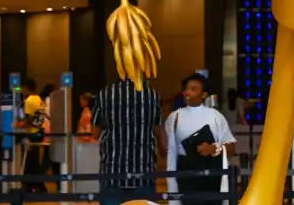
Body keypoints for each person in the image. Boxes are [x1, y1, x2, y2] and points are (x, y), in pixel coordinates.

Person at [92, 75, 163, 205]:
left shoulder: (105, 94)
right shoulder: (152, 95)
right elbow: (158, 130)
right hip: (144, 173)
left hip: (112, 173)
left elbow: (95, 133)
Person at [165, 75, 236, 202]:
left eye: (193, 89)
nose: (187, 93)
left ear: (204, 95)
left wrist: (213, 149)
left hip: (212, 171)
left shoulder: (216, 116)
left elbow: (230, 147)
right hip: (186, 172)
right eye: (186, 89)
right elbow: (168, 148)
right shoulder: (174, 117)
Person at [20, 86, 51, 191]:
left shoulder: (29, 102)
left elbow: (30, 120)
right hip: (39, 134)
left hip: (33, 135)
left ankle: (34, 186)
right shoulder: (38, 100)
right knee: (34, 161)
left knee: (31, 162)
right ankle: (36, 186)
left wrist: (24, 126)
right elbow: (39, 119)